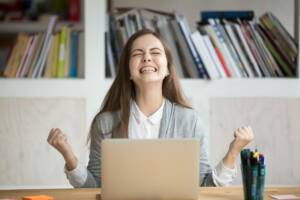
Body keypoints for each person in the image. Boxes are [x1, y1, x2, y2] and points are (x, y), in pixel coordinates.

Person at [47, 29, 254, 188]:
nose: (147, 57)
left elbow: (204, 187)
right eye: (138, 54)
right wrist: (69, 156)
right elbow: (93, 187)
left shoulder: (189, 121)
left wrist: (233, 151)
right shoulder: (106, 123)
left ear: (166, 69)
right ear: (128, 71)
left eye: (155, 52)